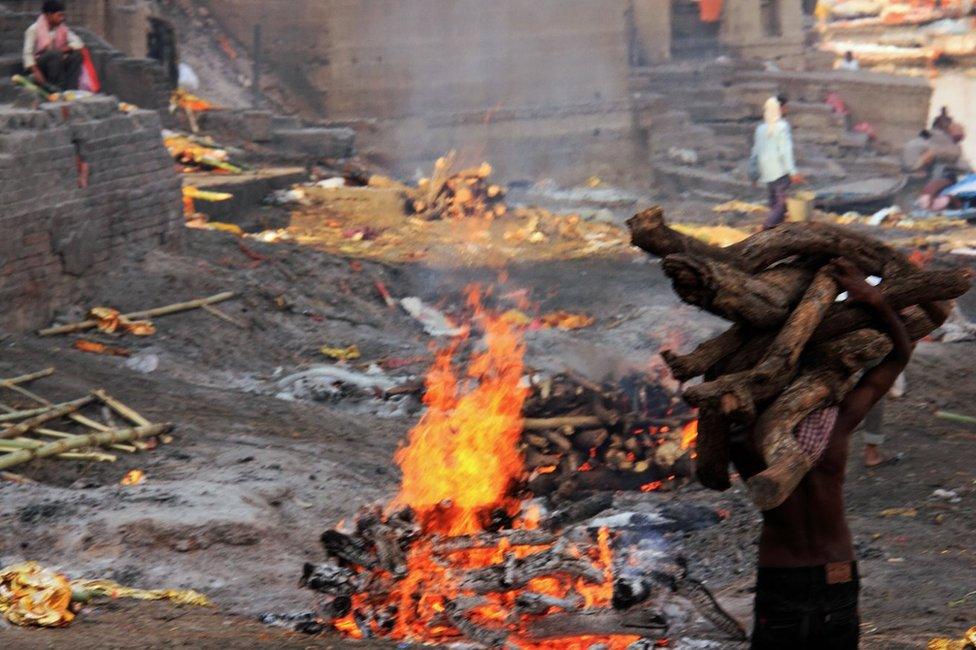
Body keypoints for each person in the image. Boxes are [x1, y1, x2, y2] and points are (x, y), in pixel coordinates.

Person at [730, 258, 916, 649]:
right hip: (837, 569)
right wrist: (874, 301)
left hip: (782, 572)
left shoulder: (747, 433)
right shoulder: (837, 422)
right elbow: (899, 356)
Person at [750, 95, 802, 230]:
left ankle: (775, 230)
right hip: (780, 170)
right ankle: (766, 227)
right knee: (781, 203)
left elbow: (755, 151)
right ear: (779, 109)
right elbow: (785, 151)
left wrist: (753, 173)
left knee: (773, 200)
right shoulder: (783, 127)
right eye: (785, 107)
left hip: (766, 170)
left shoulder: (760, 129)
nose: (787, 109)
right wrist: (793, 172)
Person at [23, 1, 84, 91]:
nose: (62, 18)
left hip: (57, 61)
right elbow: (27, 55)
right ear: (49, 15)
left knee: (76, 56)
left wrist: (64, 50)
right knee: (54, 54)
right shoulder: (33, 29)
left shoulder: (62, 28)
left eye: (63, 15)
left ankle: (72, 90)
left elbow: (79, 43)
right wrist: (36, 72)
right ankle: (57, 88)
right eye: (59, 15)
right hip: (40, 66)